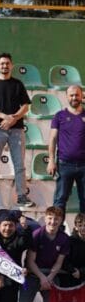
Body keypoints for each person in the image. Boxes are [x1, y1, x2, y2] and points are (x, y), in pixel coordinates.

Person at [0, 53, 34, 208]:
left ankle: (22, 196)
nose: (5, 66)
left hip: (16, 130)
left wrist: (14, 118)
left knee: (19, 165)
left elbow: (25, 106)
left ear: (11, 65)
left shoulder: (18, 84)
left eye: (7, 63)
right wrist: (4, 116)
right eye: (2, 63)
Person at [20, 206, 71, 302]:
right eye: (50, 218)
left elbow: (59, 262)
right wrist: (42, 278)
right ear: (45, 218)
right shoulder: (37, 234)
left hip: (51, 277)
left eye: (56, 219)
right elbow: (30, 261)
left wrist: (49, 278)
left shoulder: (64, 238)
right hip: (32, 276)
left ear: (61, 220)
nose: (53, 222)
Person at [48, 84, 85, 212]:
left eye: (77, 95)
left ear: (82, 96)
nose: (74, 98)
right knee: (60, 200)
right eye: (71, 95)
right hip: (64, 164)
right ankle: (57, 225)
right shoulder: (59, 116)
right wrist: (51, 161)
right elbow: (52, 139)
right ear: (67, 97)